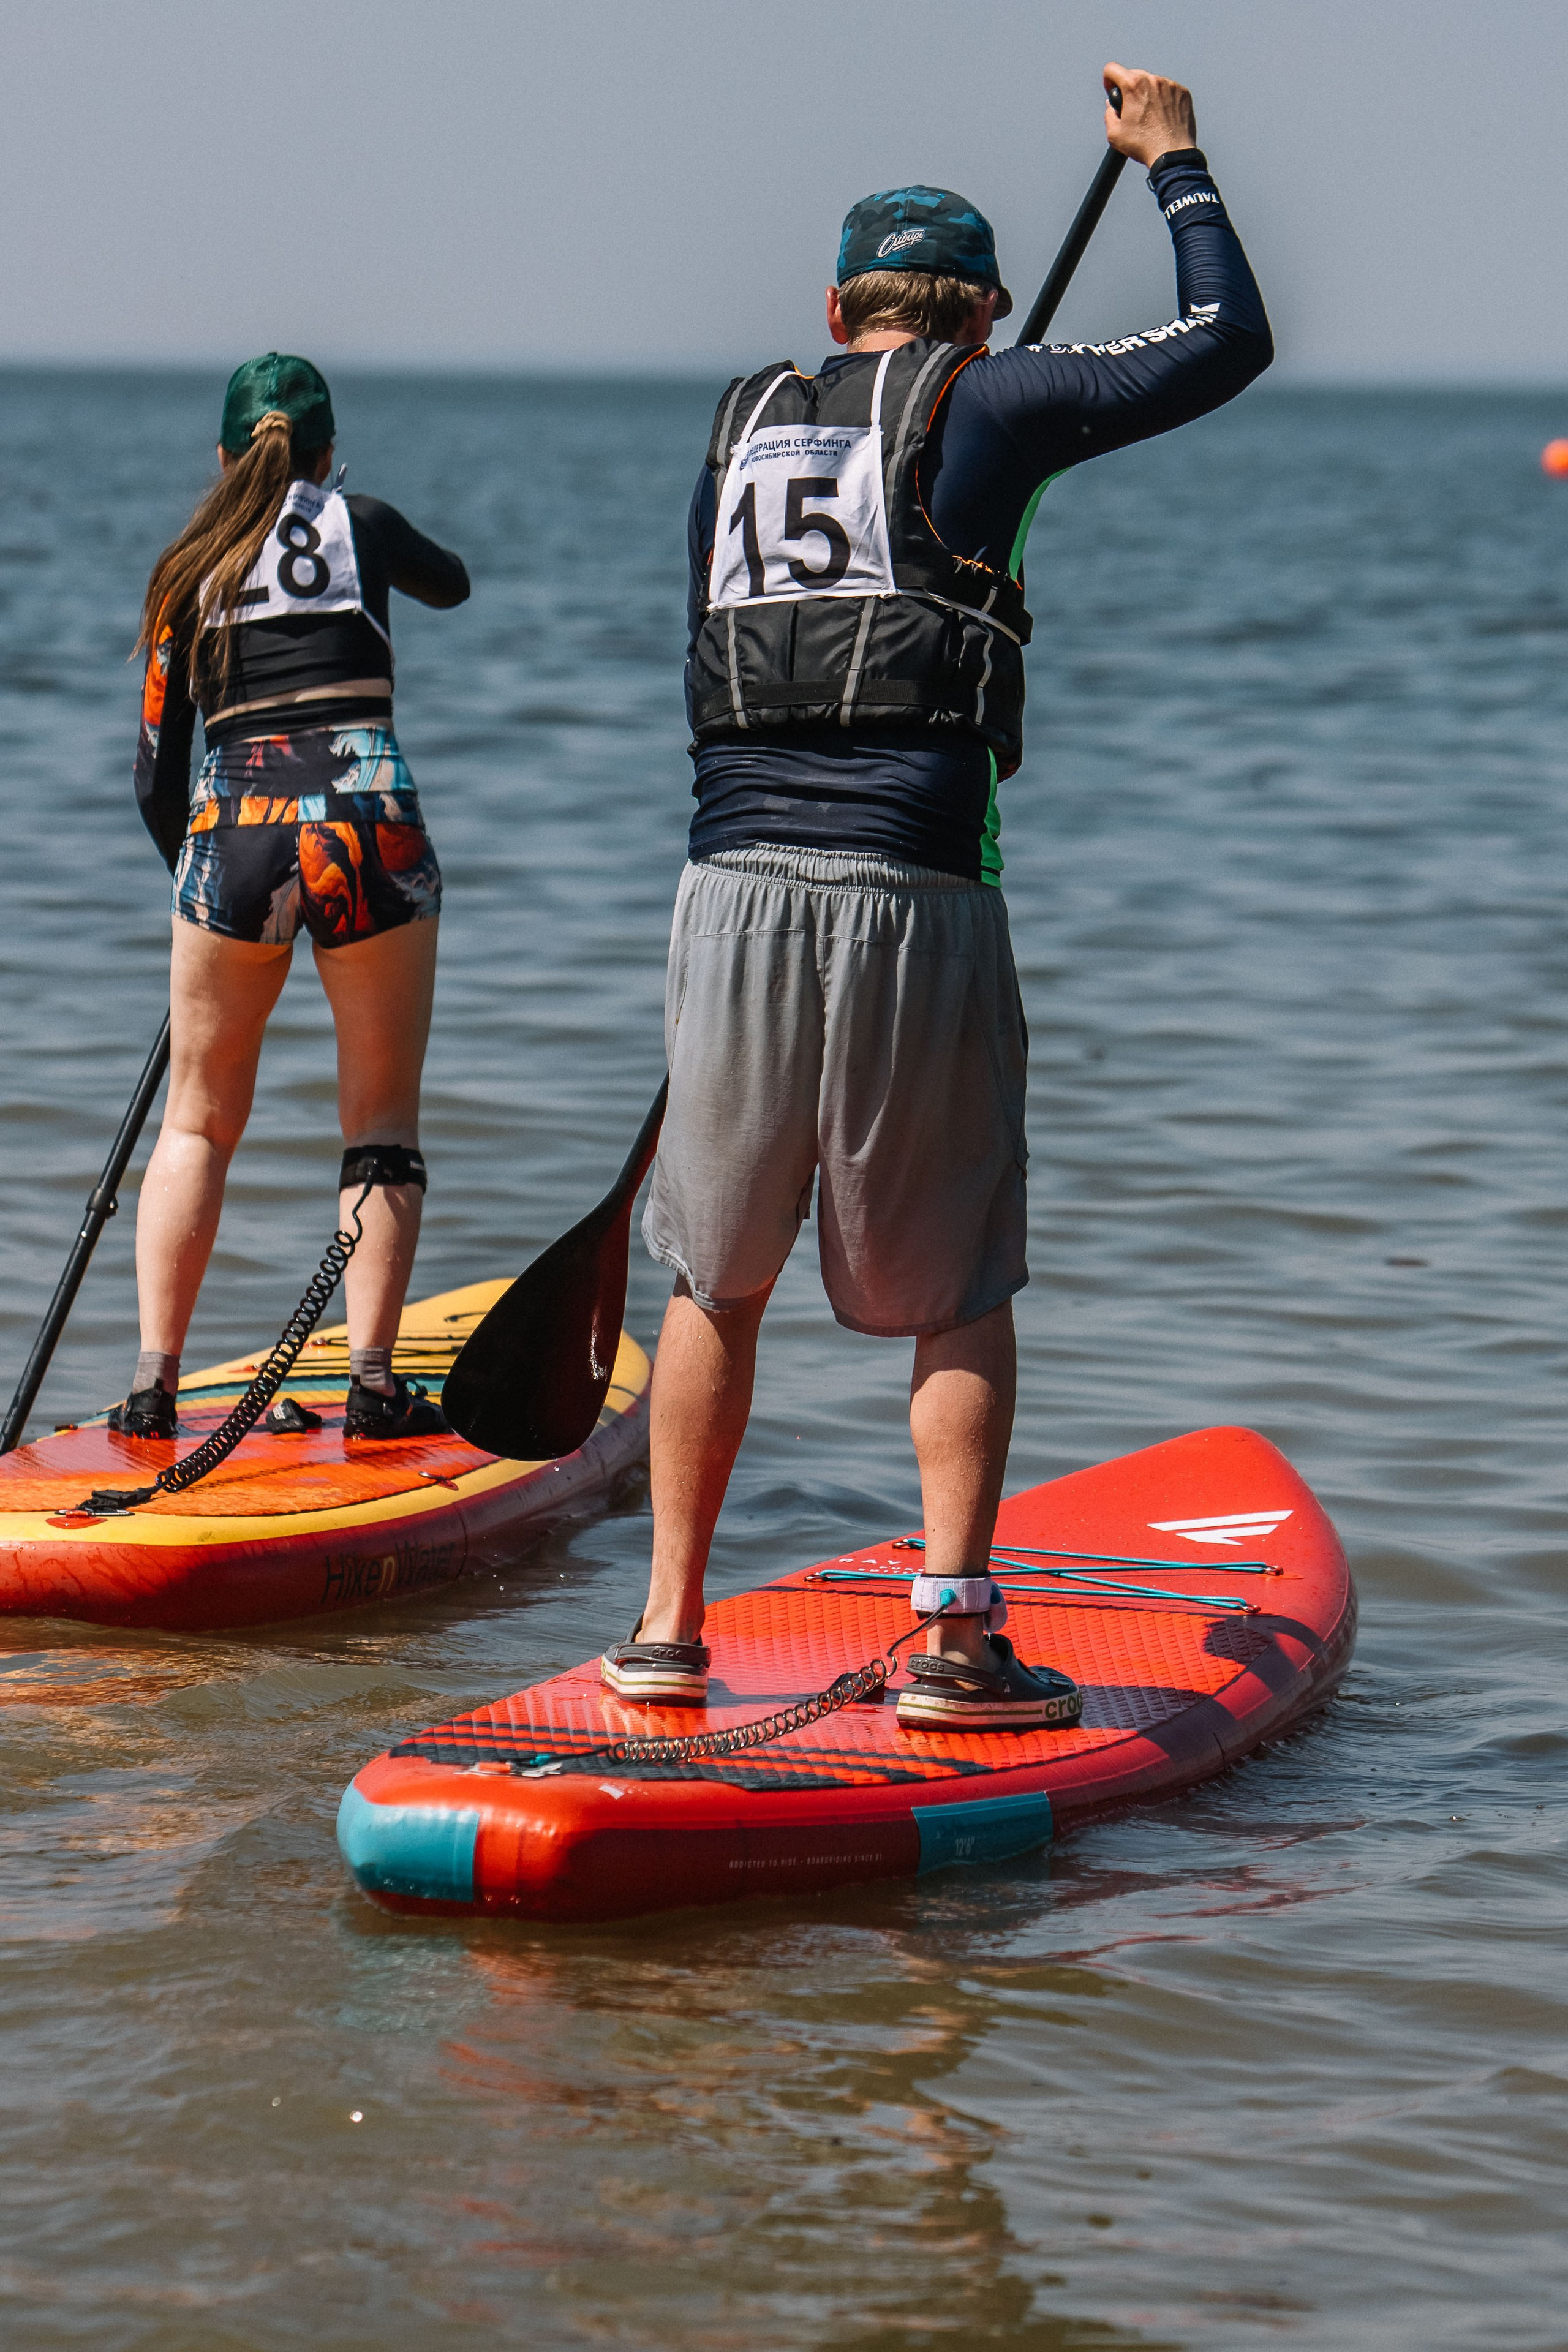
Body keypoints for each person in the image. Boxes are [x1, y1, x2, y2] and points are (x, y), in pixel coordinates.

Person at [603, 66, 1274, 1727]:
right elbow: (1224, 339)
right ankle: (959, 1647)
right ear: (979, 318)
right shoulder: (997, 402)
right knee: (961, 1280)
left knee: (715, 1282)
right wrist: (1177, 166)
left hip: (727, 886)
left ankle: (667, 1632)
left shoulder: (742, 429)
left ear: (834, 310)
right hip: (916, 886)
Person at [117, 353, 470, 1441]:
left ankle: (154, 1386)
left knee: (198, 1123)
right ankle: (371, 1383)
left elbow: (154, 776)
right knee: (380, 1128)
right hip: (370, 820)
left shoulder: (188, 573)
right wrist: (345, 501)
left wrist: (205, 891)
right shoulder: (361, 519)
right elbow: (451, 581)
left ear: (223, 459)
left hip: (235, 834)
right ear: (326, 450)